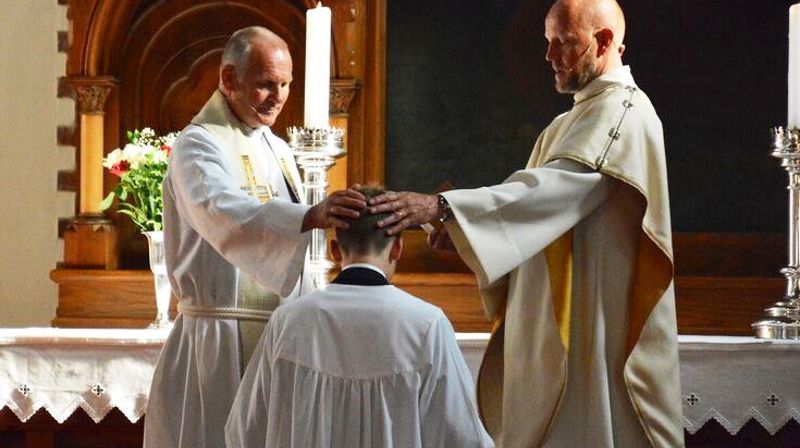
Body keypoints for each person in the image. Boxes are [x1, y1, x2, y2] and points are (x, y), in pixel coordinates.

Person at [368, 0, 683, 446]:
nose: (549, 55)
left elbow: (552, 191)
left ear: (604, 41)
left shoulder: (622, 113)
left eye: (563, 42)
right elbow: (535, 216)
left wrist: (443, 207)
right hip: (560, 323)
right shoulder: (571, 120)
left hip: (593, 324)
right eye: (547, 41)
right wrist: (461, 230)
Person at [143, 27, 365, 448]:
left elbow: (293, 260)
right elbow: (220, 209)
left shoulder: (277, 149)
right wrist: (308, 215)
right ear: (229, 78)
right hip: (218, 342)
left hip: (278, 339)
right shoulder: (198, 145)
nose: (278, 97)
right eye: (266, 83)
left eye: (285, 84)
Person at [225, 186, 494, 448]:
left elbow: (244, 431)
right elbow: (463, 437)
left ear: (335, 250)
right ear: (397, 249)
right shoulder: (427, 324)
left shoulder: (287, 321)